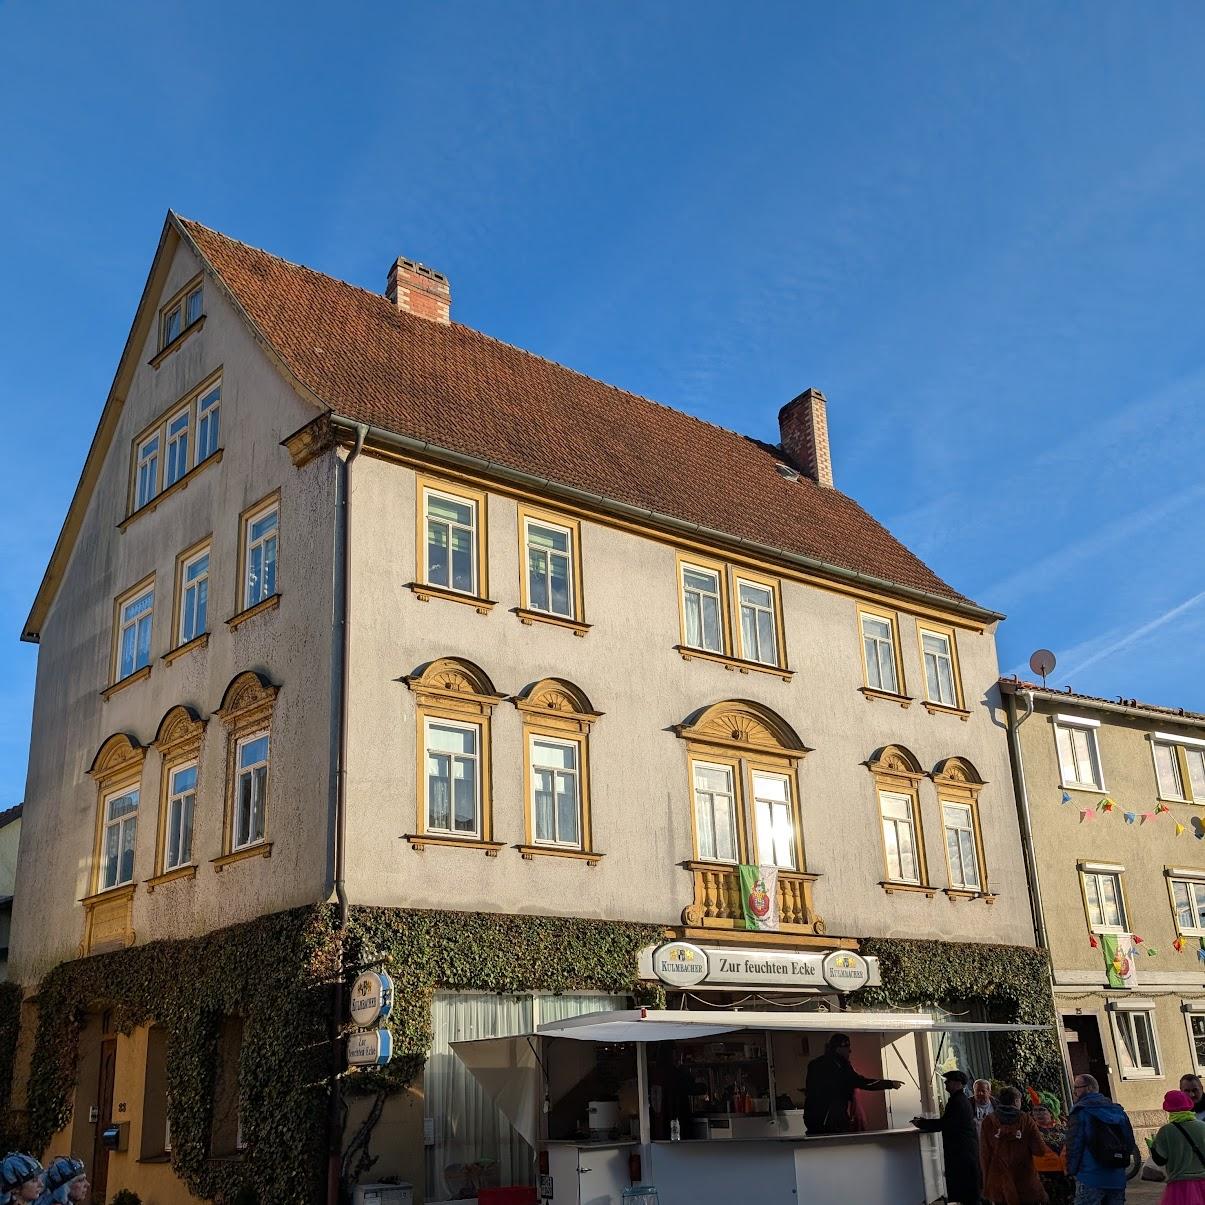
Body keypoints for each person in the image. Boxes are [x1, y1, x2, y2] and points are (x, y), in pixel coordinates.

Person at [803, 1033, 903, 1134]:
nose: (850, 1051)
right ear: (839, 1048)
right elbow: (862, 1082)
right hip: (832, 1122)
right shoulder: (840, 1066)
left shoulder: (814, 1064)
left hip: (812, 1121)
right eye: (848, 1047)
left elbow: (810, 1091)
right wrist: (890, 1084)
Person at [912, 1069, 982, 1205]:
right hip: (964, 1151)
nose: (946, 1083)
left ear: (958, 1083)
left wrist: (922, 1123)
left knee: (967, 1191)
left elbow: (946, 1123)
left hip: (962, 1152)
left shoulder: (958, 1102)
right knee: (968, 1191)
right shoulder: (959, 1100)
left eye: (948, 1081)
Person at [1065, 1073, 1135, 1205]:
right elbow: (1130, 1142)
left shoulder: (1081, 1112)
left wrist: (1071, 1171)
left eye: (1077, 1087)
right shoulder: (1118, 1112)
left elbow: (1074, 1145)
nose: (1075, 1092)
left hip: (1090, 1176)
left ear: (1089, 1088)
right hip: (1116, 1177)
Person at [980, 1085, 1052, 1205]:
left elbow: (984, 1154)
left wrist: (986, 1183)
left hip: (999, 1181)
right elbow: (1040, 1150)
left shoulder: (988, 1121)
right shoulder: (1026, 1120)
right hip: (1025, 1180)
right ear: (1016, 1101)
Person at [1149, 1090, 1205, 1204]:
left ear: (1168, 1109)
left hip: (1180, 1185)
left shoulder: (1166, 1131)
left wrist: (1152, 1147)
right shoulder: (1202, 1126)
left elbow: (1160, 1161)